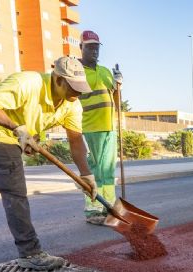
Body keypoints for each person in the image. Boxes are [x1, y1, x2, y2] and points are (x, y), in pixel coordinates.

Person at [0, 56, 97, 270]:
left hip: (17, 137)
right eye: (72, 88)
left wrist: (86, 175)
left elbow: (76, 141)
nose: (76, 94)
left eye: (80, 89)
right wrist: (17, 129)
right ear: (57, 79)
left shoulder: (71, 105)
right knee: (15, 191)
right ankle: (30, 252)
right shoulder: (27, 83)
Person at [78, 30, 123, 225]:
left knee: (107, 171)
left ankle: (109, 206)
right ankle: (93, 209)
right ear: (81, 48)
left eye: (96, 47)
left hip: (108, 128)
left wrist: (118, 85)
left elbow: (116, 100)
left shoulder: (105, 72)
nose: (94, 50)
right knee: (95, 170)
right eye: (90, 47)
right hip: (88, 127)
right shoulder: (77, 72)